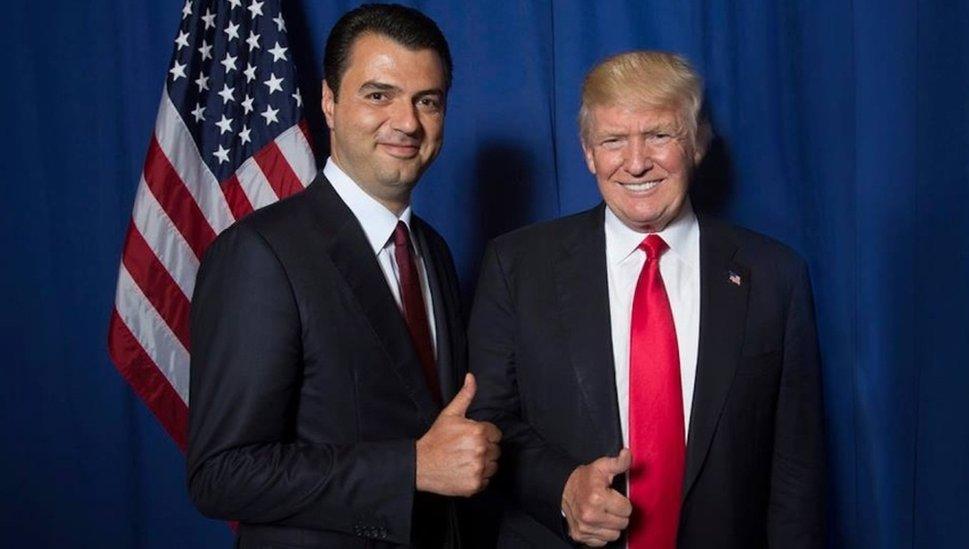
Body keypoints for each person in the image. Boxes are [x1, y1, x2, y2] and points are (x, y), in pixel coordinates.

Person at [468, 51, 825, 548]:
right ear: (588, 152)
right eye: (613, 140)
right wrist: (563, 486)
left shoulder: (775, 276)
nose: (636, 163)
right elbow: (487, 422)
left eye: (660, 135)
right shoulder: (517, 266)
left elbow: (797, 472)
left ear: (698, 142)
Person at [187, 4, 500, 547]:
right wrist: (410, 468)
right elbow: (220, 476)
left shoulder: (434, 253)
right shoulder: (260, 254)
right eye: (378, 95)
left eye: (427, 100)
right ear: (329, 103)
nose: (407, 122)